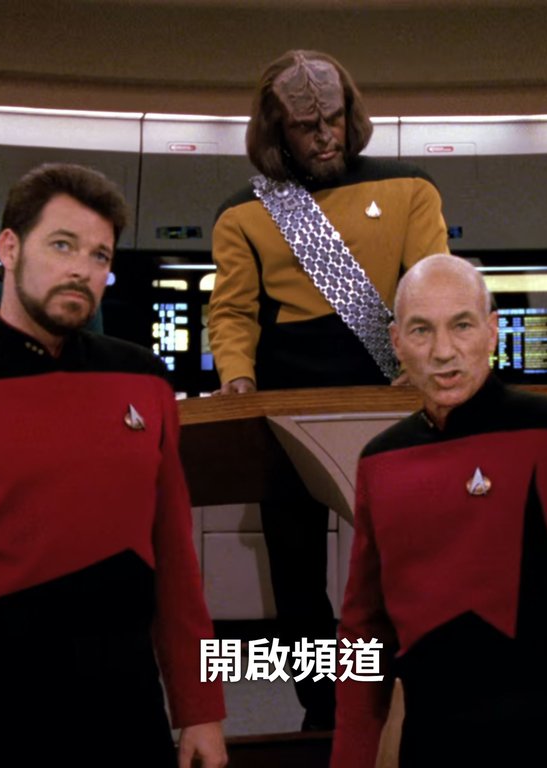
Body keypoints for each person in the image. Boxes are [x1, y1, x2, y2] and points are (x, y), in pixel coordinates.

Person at [0, 163, 227, 767]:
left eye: (100, 255)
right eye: (62, 245)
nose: (82, 268)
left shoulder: (145, 380)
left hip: (127, 713)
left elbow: (176, 563)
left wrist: (200, 707)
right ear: (10, 248)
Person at [332, 255, 547, 768]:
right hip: (428, 745)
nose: (443, 351)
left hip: (544, 744)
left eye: (461, 325)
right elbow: (362, 630)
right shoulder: (380, 458)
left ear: (491, 331)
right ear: (396, 343)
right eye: (421, 330)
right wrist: (349, 760)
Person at [207, 49, 449, 730]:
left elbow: (430, 283)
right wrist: (237, 378)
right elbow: (232, 313)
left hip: (388, 392)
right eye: (306, 126)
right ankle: (323, 709)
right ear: (275, 131)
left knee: (404, 558)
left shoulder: (411, 188)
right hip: (284, 406)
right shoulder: (243, 214)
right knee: (294, 570)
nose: (325, 138)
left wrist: (422, 363)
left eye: (334, 120)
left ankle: (400, 697)